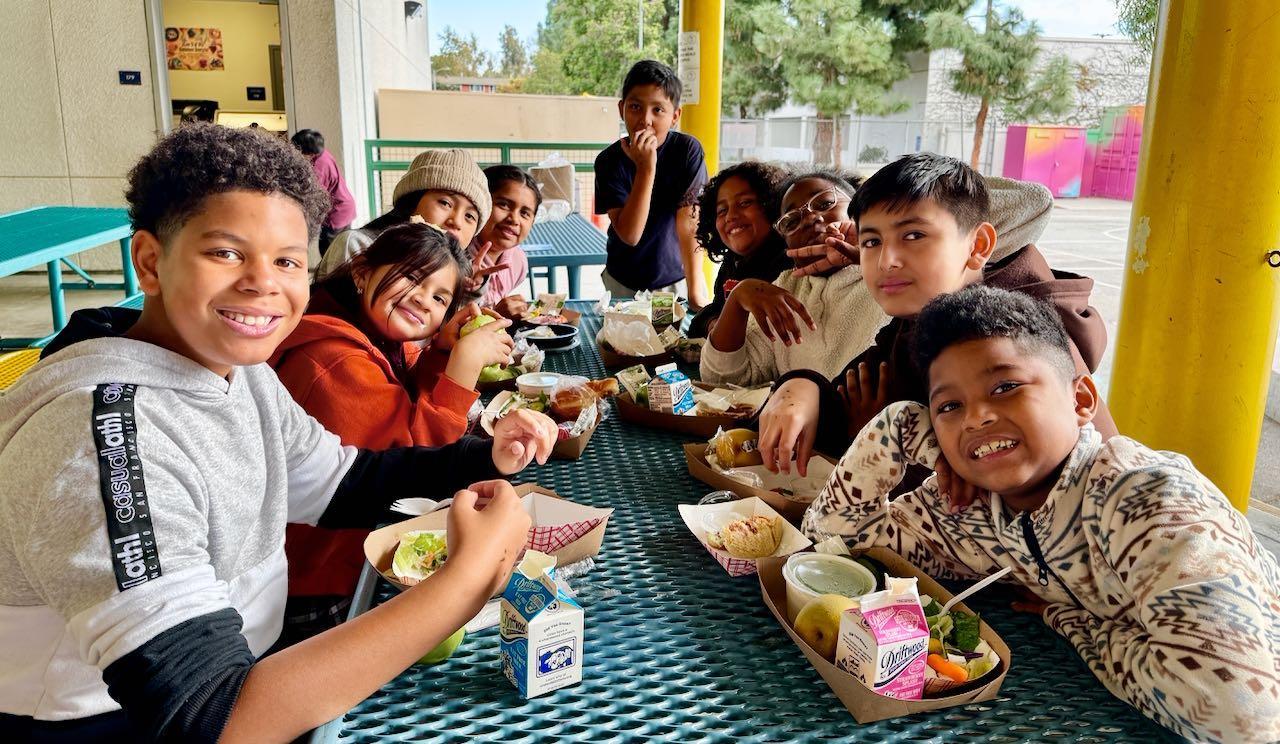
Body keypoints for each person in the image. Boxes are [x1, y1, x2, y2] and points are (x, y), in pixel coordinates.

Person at [0, 123, 556, 742]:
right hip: (105, 721)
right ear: (151, 263)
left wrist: (483, 458)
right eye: (227, 252)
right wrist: (468, 578)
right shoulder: (102, 437)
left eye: (288, 260)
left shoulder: (240, 372)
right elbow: (212, 718)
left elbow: (340, 482)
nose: (264, 282)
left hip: (245, 664)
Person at [804, 284, 1280, 744]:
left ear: (1081, 400)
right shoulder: (971, 510)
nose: (976, 418)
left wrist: (1075, 623)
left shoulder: (1149, 500)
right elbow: (833, 541)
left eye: (1005, 386)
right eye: (949, 405)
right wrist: (900, 425)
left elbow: (1236, 716)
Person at [757, 154, 1113, 489]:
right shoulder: (915, 325)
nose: (887, 261)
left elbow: (1020, 497)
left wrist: (882, 444)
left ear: (979, 245)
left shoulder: (1015, 340)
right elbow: (841, 400)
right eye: (871, 242)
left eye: (913, 235)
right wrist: (801, 386)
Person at [269, 220, 517, 643]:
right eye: (411, 277)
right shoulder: (333, 362)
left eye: (440, 297)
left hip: (353, 553)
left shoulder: (374, 334)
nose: (423, 299)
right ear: (362, 271)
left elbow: (402, 408)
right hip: (322, 583)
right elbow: (414, 467)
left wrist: (441, 353)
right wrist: (463, 367)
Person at [699, 170, 887, 386]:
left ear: (860, 209)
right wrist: (738, 298)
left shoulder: (889, 278)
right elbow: (723, 380)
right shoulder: (785, 288)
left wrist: (871, 254)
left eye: (824, 204)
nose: (809, 218)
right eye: (791, 221)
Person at [593, 59, 710, 308]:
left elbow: (689, 224)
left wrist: (694, 289)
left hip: (674, 280)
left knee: (670, 344)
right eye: (635, 107)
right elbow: (630, 234)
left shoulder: (687, 151)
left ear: (675, 116)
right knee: (622, 344)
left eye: (658, 110)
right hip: (622, 282)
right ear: (622, 108)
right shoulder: (608, 161)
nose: (645, 120)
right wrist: (646, 167)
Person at [314, 148, 492, 279]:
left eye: (469, 216)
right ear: (412, 203)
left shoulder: (452, 273)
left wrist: (467, 292)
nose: (457, 222)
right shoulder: (357, 247)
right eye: (445, 203)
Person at [686, 161, 792, 338]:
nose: (731, 216)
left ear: (771, 205)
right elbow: (711, 312)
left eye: (744, 203)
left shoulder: (788, 263)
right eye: (722, 210)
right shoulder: (732, 262)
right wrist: (714, 324)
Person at [463, 165, 541, 318]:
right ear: (480, 205)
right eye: (503, 205)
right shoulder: (454, 257)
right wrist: (495, 316)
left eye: (525, 213)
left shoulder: (518, 262)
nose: (514, 219)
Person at [291, 128, 356, 256]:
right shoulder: (323, 154)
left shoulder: (319, 167)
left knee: (328, 252)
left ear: (308, 152)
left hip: (337, 212)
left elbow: (313, 195)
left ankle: (332, 275)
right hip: (345, 207)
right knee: (342, 250)